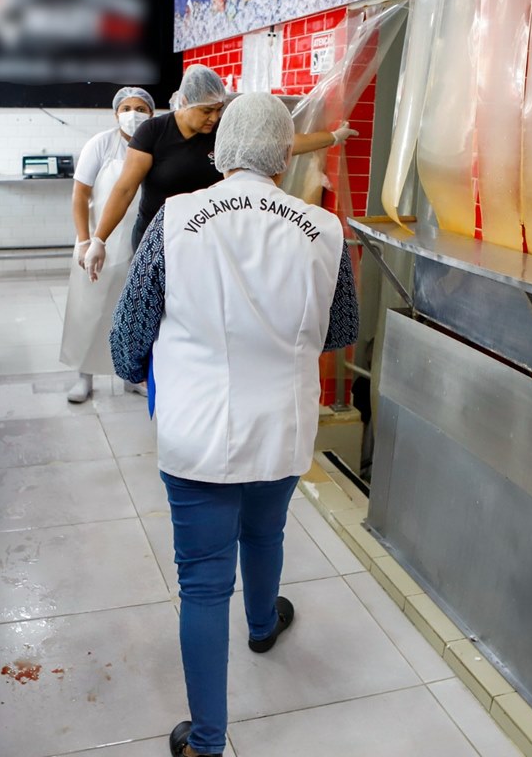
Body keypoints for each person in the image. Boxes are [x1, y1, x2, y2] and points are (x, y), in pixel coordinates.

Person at [109, 93, 360, 757]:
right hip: (282, 425)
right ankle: (262, 624)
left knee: (203, 581)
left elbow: (127, 340)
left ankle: (206, 741)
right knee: (265, 529)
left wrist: (148, 366)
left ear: (221, 152)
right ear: (284, 155)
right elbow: (341, 330)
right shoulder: (325, 229)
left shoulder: (176, 219)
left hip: (195, 432)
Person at [83, 64, 358, 280]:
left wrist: (333, 137)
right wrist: (99, 239)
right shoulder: (153, 132)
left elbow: (281, 143)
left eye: (218, 109)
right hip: (159, 234)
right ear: (185, 101)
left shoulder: (222, 131)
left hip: (205, 234)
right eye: (206, 111)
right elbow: (125, 189)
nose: (214, 118)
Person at [60, 87, 155, 403]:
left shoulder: (156, 143)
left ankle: (132, 376)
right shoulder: (100, 144)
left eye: (140, 108)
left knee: (135, 312)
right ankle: (84, 377)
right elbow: (80, 194)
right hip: (100, 241)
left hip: (139, 241)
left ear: (152, 113)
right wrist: (84, 240)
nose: (133, 114)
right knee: (89, 309)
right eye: (126, 108)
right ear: (115, 114)